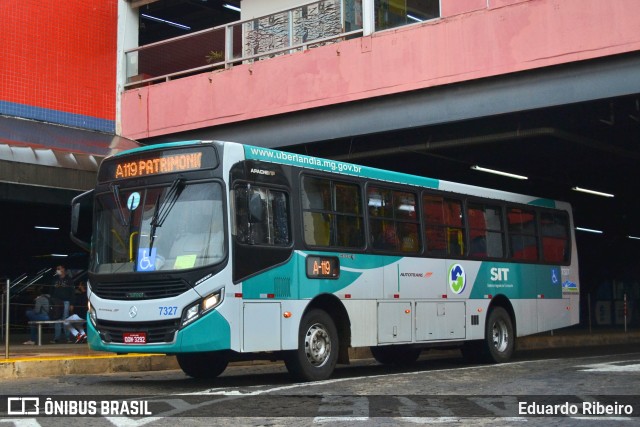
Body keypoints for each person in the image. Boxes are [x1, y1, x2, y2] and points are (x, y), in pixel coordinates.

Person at [50, 265, 74, 343]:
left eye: (59, 268)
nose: (57, 270)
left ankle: (67, 337)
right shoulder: (54, 279)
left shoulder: (69, 279)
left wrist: (72, 303)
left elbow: (72, 292)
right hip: (56, 302)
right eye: (57, 269)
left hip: (66, 301)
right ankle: (57, 338)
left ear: (63, 269)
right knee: (57, 318)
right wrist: (52, 301)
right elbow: (51, 291)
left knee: (65, 319)